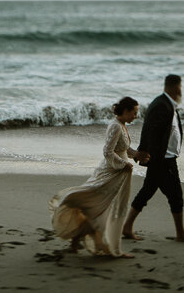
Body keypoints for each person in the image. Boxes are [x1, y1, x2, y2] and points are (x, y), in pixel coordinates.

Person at [49, 97, 146, 257]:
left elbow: (123, 148)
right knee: (99, 209)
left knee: (102, 210)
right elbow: (107, 151)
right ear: (126, 111)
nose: (136, 115)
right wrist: (124, 164)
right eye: (134, 112)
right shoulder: (115, 126)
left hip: (119, 173)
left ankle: (77, 242)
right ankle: (109, 247)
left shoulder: (121, 125)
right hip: (110, 173)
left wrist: (135, 154)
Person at [122, 74, 184, 243]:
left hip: (164, 158)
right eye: (180, 88)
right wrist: (144, 153)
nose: (181, 91)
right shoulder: (161, 105)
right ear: (176, 88)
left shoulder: (168, 105)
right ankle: (181, 234)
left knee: (147, 191)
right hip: (163, 160)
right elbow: (150, 130)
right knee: (176, 196)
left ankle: (127, 227)